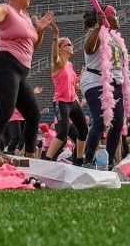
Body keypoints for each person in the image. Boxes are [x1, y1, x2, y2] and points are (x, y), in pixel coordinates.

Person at [0, 0, 53, 156]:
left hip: (21, 70)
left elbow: (35, 45)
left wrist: (40, 30)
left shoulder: (26, 17)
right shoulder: (7, 9)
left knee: (33, 115)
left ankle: (30, 158)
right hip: (5, 63)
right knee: (5, 111)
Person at [80, 6, 130, 169]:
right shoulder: (95, 31)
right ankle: (88, 160)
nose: (117, 18)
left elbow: (118, 65)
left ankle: (108, 161)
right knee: (100, 121)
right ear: (105, 18)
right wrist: (99, 26)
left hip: (116, 82)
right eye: (114, 15)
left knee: (118, 124)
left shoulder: (115, 37)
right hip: (96, 81)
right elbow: (89, 49)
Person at [45, 23, 87, 163]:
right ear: (62, 48)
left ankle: (79, 160)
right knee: (63, 132)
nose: (72, 46)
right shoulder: (58, 63)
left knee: (83, 130)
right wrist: (56, 35)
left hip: (73, 101)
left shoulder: (70, 65)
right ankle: (48, 159)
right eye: (69, 44)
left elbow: (73, 85)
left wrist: (82, 76)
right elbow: (54, 55)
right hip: (61, 101)